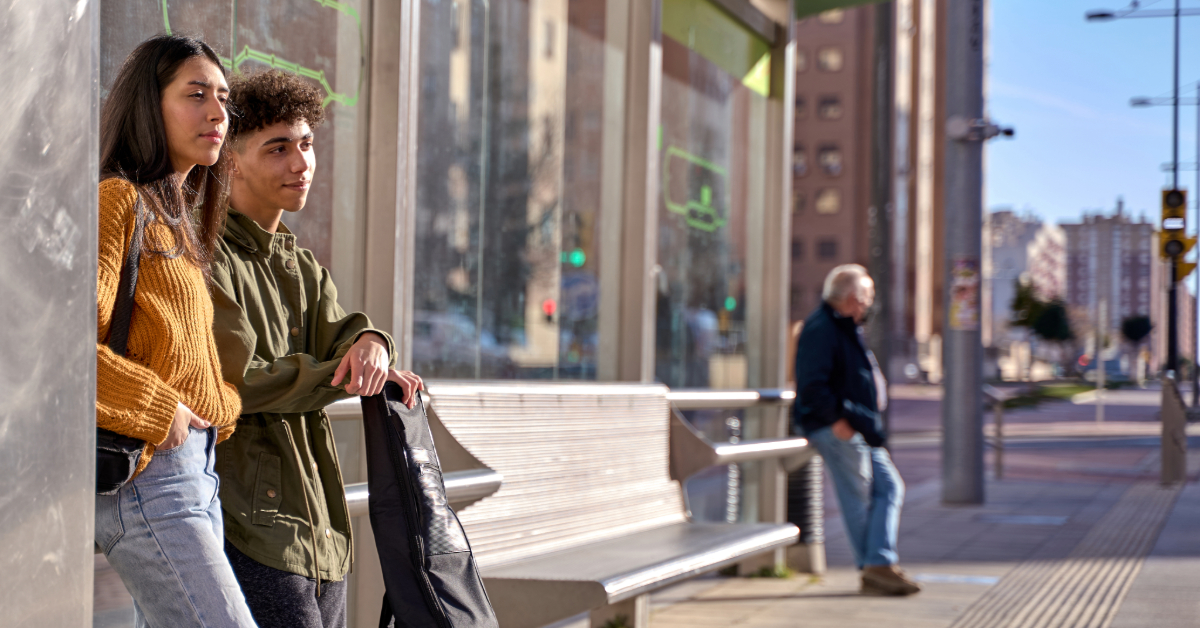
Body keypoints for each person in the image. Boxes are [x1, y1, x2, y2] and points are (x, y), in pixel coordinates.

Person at [210, 69, 425, 628]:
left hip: (322, 528)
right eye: (277, 148)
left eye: (305, 144)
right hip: (252, 525)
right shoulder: (207, 254)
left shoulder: (300, 264)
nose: (300, 163)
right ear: (230, 158)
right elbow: (239, 381)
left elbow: (349, 330)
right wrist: (344, 371)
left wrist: (373, 343)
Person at [94, 35, 258, 626]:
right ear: (148, 105)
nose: (217, 114)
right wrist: (162, 410)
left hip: (196, 473)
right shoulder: (119, 200)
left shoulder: (176, 220)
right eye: (195, 95)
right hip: (148, 476)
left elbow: (180, 352)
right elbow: (63, 349)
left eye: (222, 98)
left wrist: (220, 407)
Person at [793, 264, 920, 596]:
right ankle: (876, 566)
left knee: (890, 487)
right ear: (854, 297)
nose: (870, 304)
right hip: (840, 428)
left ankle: (877, 563)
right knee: (858, 498)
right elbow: (812, 386)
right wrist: (839, 421)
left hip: (860, 426)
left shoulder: (844, 326)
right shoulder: (822, 328)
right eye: (869, 297)